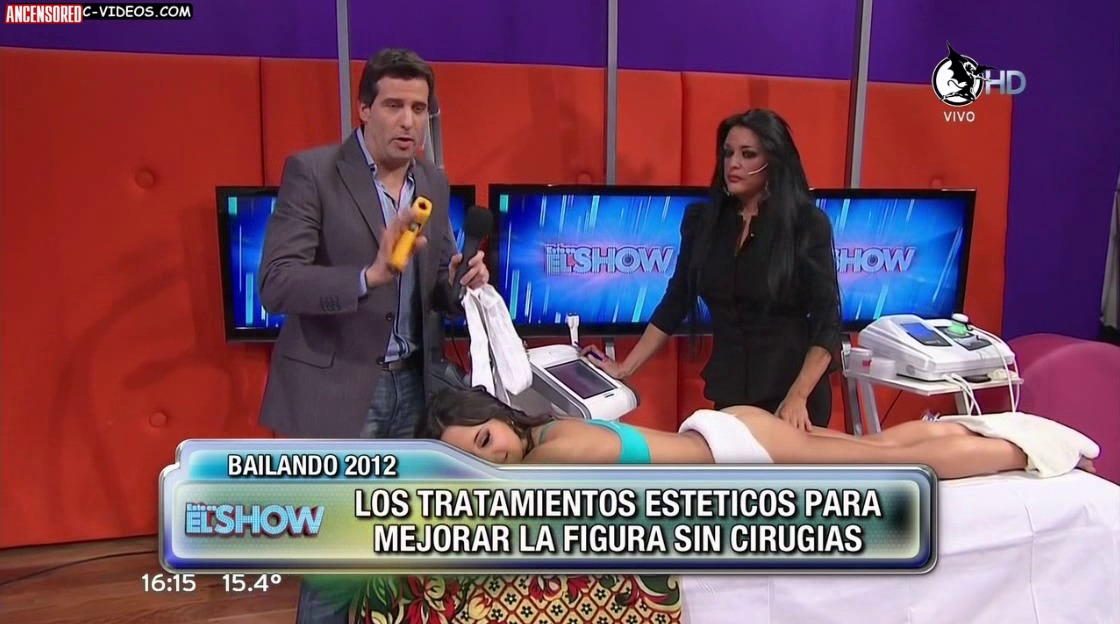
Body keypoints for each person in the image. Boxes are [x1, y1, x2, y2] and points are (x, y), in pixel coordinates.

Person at [257, 49, 488, 624]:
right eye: (394, 106)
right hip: (342, 391)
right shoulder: (313, 173)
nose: (409, 121)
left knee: (396, 552)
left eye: (420, 109)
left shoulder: (432, 180)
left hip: (415, 387)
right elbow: (277, 284)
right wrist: (368, 276)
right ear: (363, 109)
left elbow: (436, 288)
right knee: (339, 563)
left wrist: (461, 282)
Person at [583, 109, 842, 432]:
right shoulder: (704, 223)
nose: (733, 164)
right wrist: (625, 368)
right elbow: (676, 301)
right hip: (732, 393)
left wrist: (797, 396)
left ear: (774, 161)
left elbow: (827, 322)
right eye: (728, 153)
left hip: (792, 398)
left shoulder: (806, 225)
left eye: (748, 155)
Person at [420, 387, 1098, 480]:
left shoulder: (555, 451)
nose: (490, 458)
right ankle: (1011, 438)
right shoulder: (550, 426)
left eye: (483, 442)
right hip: (726, 431)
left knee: (893, 464)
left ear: (497, 418)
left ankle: (1026, 452)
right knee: (886, 446)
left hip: (737, 446)